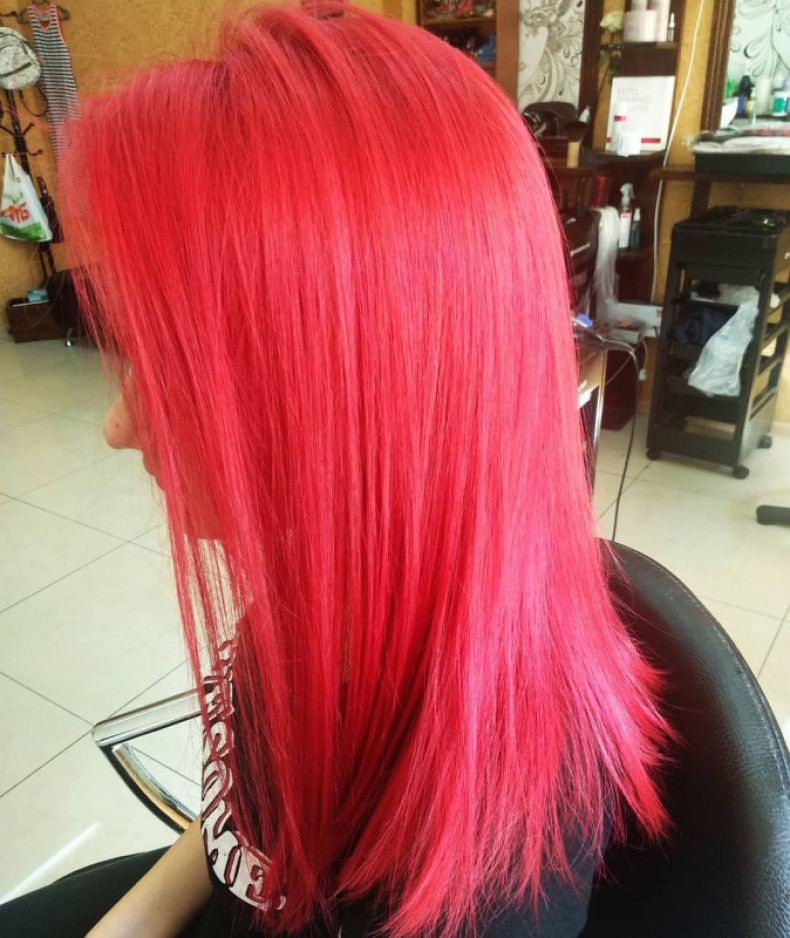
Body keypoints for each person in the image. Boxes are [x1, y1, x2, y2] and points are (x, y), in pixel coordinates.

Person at [0, 3, 670, 936]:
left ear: (344, 398)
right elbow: (246, 823)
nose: (118, 427)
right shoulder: (343, 579)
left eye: (173, 366)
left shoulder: (475, 888)